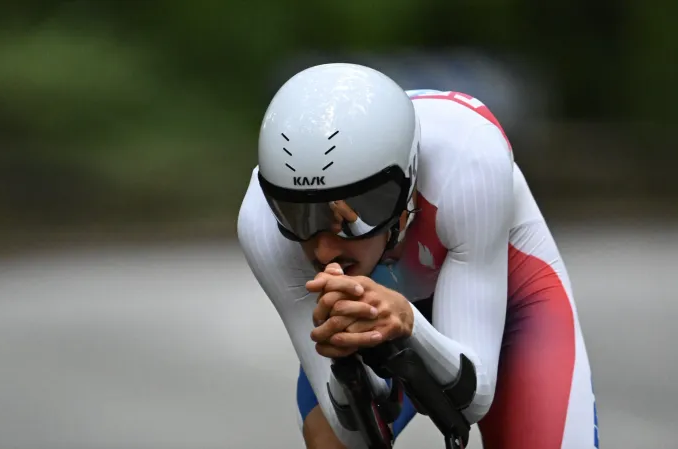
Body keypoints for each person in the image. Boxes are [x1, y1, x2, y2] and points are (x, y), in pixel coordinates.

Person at [238, 63, 599, 449]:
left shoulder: (468, 158)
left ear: (407, 185)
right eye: (298, 216)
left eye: (350, 216)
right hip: (389, 296)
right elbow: (353, 436)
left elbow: (473, 398)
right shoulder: (261, 225)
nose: (324, 250)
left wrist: (409, 322)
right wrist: (348, 364)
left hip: (509, 283)